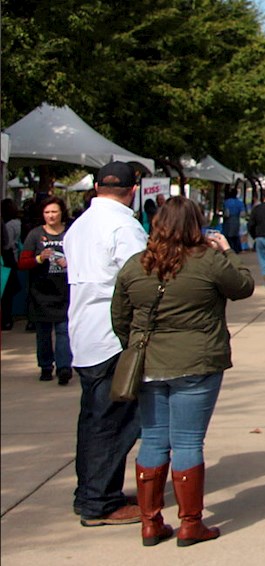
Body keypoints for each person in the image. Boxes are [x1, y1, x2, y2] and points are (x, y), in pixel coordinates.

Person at [111, 196, 254, 547]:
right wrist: (225, 250)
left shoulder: (136, 265)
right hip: (197, 360)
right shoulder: (207, 261)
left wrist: (135, 344)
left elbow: (119, 316)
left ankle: (150, 522)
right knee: (189, 441)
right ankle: (190, 523)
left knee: (154, 438)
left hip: (149, 363)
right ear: (195, 225)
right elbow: (243, 286)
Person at [64, 161, 149, 526]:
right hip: (113, 334)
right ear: (133, 189)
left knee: (93, 418)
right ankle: (101, 501)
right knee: (114, 421)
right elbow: (140, 278)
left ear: (97, 186)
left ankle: (91, 492)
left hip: (84, 331)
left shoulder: (78, 226)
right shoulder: (124, 226)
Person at [17, 196, 73, 384]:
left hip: (65, 291)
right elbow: (23, 263)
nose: (51, 216)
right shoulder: (35, 235)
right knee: (43, 333)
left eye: (54, 212)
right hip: (41, 293)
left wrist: (70, 262)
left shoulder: (70, 233)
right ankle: (46, 366)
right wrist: (39, 258)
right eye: (47, 212)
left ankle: (64, 367)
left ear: (61, 213)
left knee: (64, 331)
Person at [2, 198, 22, 330]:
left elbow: (6, 243)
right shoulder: (17, 223)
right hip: (10, 259)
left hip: (5, 260)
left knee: (5, 293)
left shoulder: (8, 225)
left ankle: (6, 319)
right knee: (7, 294)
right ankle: (6, 319)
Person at [221, 189, 244, 253]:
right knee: (235, 235)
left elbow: (226, 214)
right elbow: (242, 214)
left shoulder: (227, 202)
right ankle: (237, 249)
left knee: (228, 235)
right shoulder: (240, 203)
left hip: (228, 221)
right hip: (236, 220)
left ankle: (229, 249)